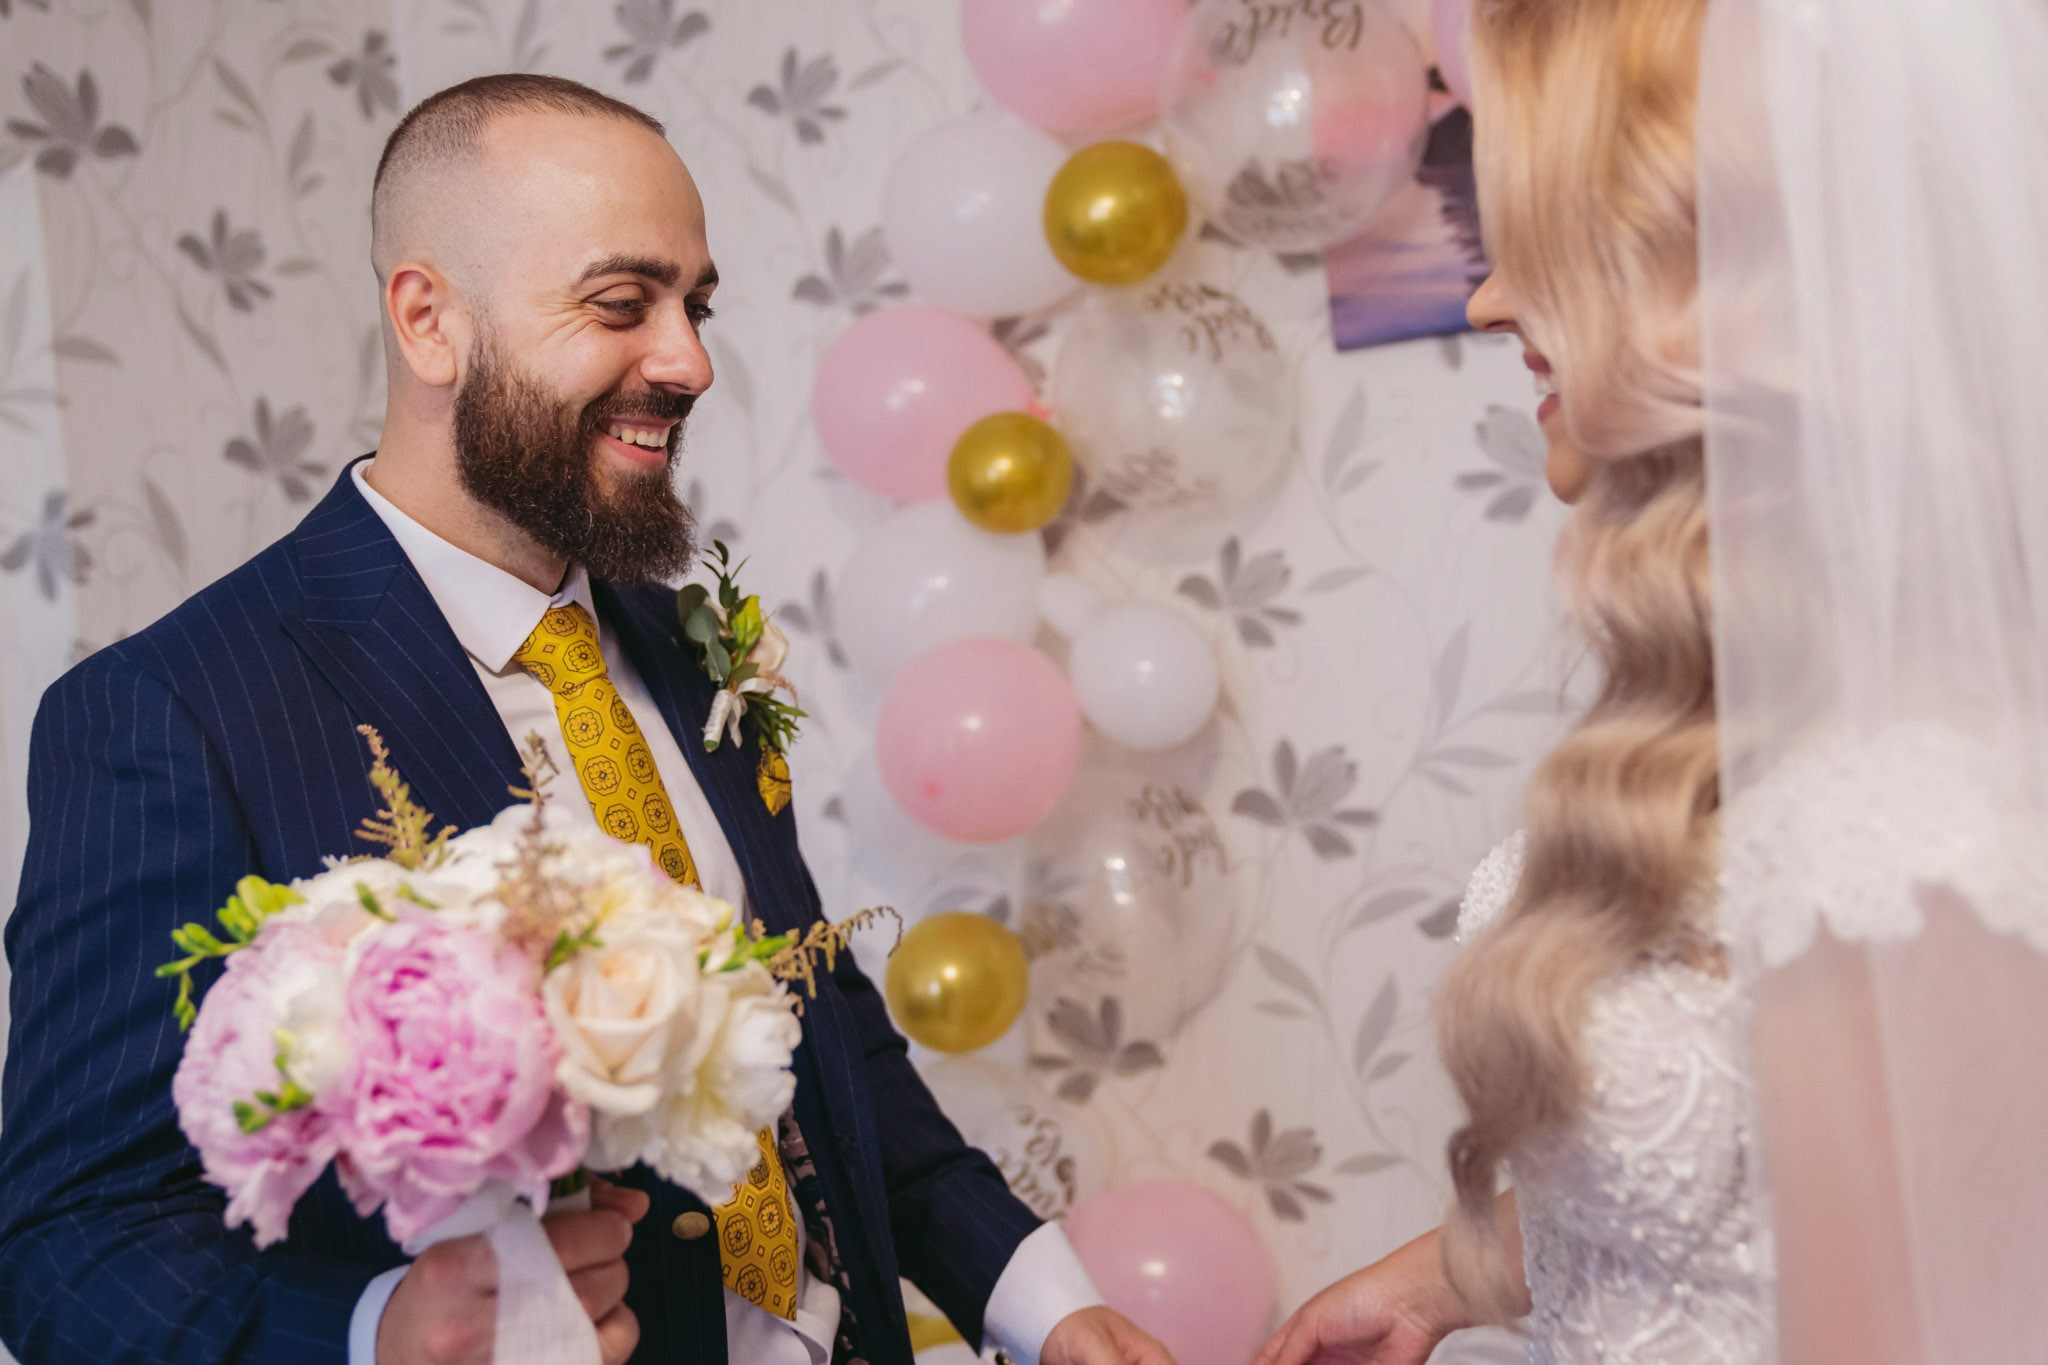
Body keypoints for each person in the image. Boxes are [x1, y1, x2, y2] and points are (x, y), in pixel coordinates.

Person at [0, 74, 1173, 1365]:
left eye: (696, 304)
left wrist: (1055, 1306)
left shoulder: (686, 652)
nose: (690, 360)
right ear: (430, 319)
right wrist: (376, 1332)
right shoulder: (171, 711)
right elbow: (68, 1241)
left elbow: (831, 1065)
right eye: (624, 304)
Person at [1258, 0, 2048, 1361]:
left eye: (1537, 240)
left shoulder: (1906, 809)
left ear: (1714, 268)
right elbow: (1759, 1192)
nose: (1487, 299)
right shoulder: (1773, 690)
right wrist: (1444, 1276)